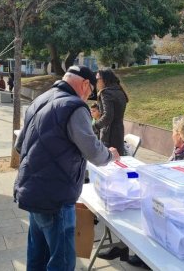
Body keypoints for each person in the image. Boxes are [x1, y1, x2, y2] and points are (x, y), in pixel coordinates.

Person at [14, 65, 120, 270]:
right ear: (84, 84)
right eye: (90, 92)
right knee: (61, 261)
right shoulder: (74, 107)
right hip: (56, 196)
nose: (88, 97)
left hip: (31, 190)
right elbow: (92, 151)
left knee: (37, 254)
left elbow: (20, 145)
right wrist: (110, 155)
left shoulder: (40, 100)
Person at [127, 114, 184, 269]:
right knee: (147, 202)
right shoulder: (181, 150)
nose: (172, 135)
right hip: (176, 197)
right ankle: (148, 253)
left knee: (154, 208)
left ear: (181, 135)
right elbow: (167, 169)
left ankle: (155, 257)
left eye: (173, 132)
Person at [93, 68, 129, 156]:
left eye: (97, 79)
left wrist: (94, 126)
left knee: (107, 163)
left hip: (109, 135)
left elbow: (108, 116)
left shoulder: (105, 93)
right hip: (119, 132)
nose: (95, 81)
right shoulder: (119, 91)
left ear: (105, 79)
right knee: (116, 161)